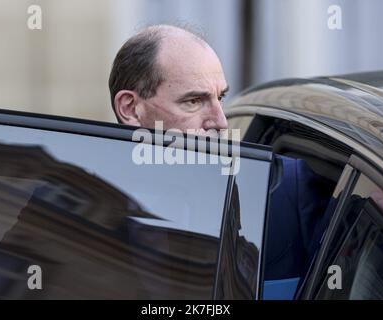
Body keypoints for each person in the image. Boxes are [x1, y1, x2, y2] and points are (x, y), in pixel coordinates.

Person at [108, 25, 335, 292]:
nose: (220, 121)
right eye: (194, 101)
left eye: (220, 97)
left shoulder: (283, 188)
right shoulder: (87, 202)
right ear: (131, 109)